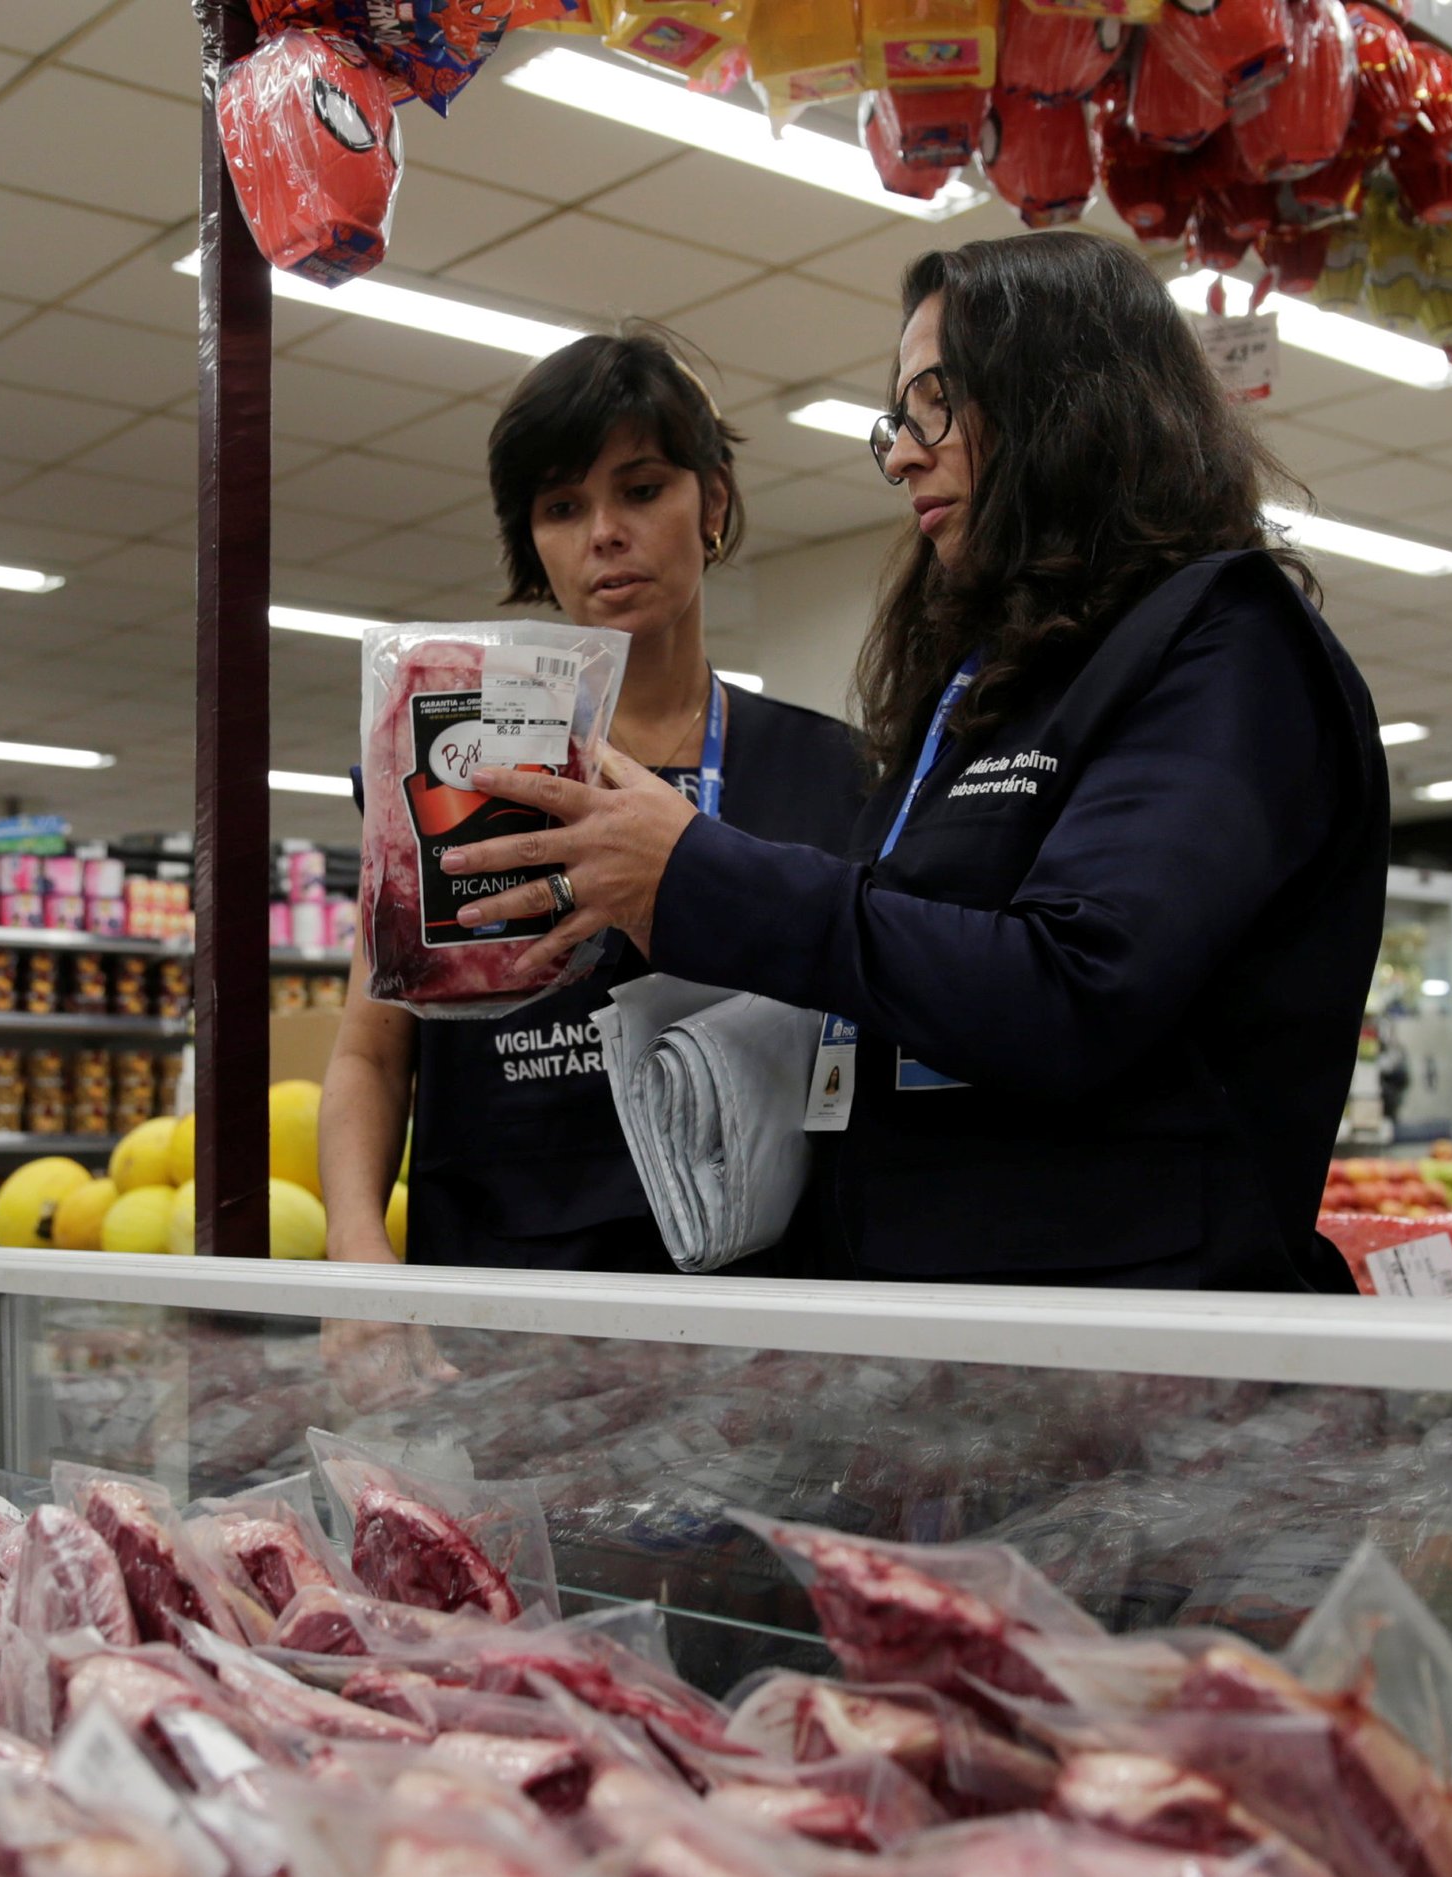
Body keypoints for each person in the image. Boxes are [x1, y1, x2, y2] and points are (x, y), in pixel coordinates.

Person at [437, 230, 1390, 1292]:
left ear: (1063, 396)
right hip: (948, 1339)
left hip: (1134, 1353)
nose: (900, 452)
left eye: (935, 403)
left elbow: (1074, 989)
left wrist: (695, 872)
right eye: (898, 419)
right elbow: (919, 970)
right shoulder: (1001, 683)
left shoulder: (1224, 645)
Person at [319, 325, 867, 1294]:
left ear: (714, 502)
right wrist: (357, 1254)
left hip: (768, 1292)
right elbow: (370, 1047)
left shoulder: (830, 772)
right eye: (562, 506)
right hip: (504, 1286)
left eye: (643, 489)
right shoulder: (449, 753)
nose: (604, 532)